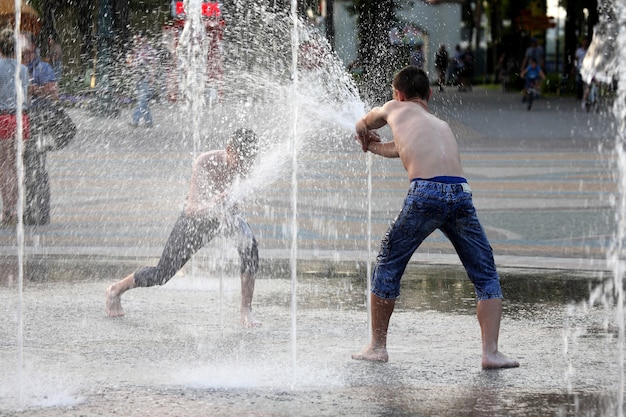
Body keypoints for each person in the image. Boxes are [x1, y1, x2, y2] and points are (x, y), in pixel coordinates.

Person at [351, 66, 519, 369]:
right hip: (460, 193)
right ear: (428, 94)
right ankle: (490, 353)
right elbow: (403, 149)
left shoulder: (393, 107)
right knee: (485, 272)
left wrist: (363, 132)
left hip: (426, 192)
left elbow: (365, 120)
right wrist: (374, 146)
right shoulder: (440, 124)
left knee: (389, 261)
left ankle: (377, 346)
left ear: (399, 95)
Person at [106, 128, 261, 327]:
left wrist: (229, 206)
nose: (244, 166)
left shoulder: (247, 168)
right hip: (196, 221)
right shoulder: (206, 162)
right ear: (229, 150)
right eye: (240, 160)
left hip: (226, 219)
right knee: (162, 274)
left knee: (250, 248)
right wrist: (213, 203)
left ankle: (246, 310)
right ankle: (116, 290)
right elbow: (190, 210)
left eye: (249, 161)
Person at [22, 36, 61, 225]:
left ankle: (41, 211)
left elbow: (54, 92)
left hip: (39, 124)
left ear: (33, 48)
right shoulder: (15, 67)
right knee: (21, 169)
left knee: (37, 168)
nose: (25, 55)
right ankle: (24, 209)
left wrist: (34, 90)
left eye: (27, 51)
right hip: (19, 124)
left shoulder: (42, 68)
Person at [0, 28, 29, 226]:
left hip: (2, 119)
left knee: (4, 167)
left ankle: (8, 210)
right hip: (21, 120)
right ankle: (18, 207)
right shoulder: (24, 69)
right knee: (17, 165)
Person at [127, 33, 157, 128]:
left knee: (142, 100)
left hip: (146, 79)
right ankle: (149, 122)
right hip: (138, 79)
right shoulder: (137, 50)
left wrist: (152, 76)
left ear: (144, 39)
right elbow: (133, 64)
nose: (138, 40)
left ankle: (135, 120)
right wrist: (130, 61)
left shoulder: (149, 50)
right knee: (143, 103)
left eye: (140, 38)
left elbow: (153, 64)